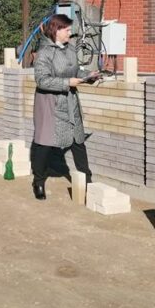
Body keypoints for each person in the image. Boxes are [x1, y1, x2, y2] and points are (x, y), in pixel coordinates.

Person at [31, 14, 99, 200]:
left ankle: (87, 181)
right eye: (67, 29)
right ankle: (38, 181)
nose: (70, 33)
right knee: (45, 144)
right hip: (50, 104)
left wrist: (88, 76)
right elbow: (42, 80)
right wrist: (67, 82)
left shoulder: (70, 49)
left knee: (78, 141)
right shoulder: (44, 53)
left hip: (70, 101)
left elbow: (75, 71)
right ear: (56, 30)